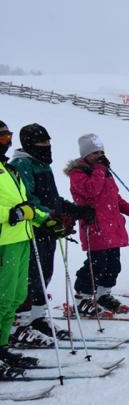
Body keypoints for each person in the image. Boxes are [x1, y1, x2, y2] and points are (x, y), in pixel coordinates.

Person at [9, 123, 94, 346]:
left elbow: (50, 198)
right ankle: (21, 324)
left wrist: (70, 209)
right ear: (29, 144)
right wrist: (48, 217)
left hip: (49, 228)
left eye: (48, 142)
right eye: (42, 143)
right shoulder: (23, 164)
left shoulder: (42, 164)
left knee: (45, 273)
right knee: (30, 277)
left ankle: (38, 319)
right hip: (35, 228)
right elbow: (28, 198)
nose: (47, 146)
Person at [67, 134, 129, 315]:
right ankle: (82, 297)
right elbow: (92, 190)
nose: (99, 156)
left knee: (113, 265)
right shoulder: (78, 173)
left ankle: (102, 294)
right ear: (85, 155)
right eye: (94, 153)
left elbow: (114, 198)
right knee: (96, 265)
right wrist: (100, 169)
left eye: (101, 152)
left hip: (113, 228)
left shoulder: (104, 172)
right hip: (96, 227)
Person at [0, 120, 49, 374]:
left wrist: (44, 218)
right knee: (2, 299)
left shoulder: (8, 170)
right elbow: (14, 209)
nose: (6, 143)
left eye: (7, 137)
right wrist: (14, 213)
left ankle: (2, 346)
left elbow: (24, 203)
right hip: (3, 242)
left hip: (20, 239)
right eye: (1, 138)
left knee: (15, 297)